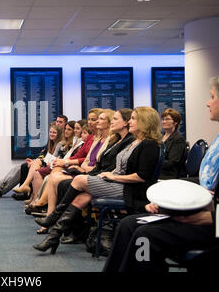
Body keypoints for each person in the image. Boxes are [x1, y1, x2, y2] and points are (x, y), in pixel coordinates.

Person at [103, 77, 219, 272]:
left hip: (213, 223)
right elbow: (205, 183)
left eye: (212, 96)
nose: (207, 102)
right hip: (204, 211)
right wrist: (169, 200)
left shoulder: (155, 143)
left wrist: (211, 217)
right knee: (129, 224)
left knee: (145, 236)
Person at [34, 106, 162, 254]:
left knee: (79, 180)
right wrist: (111, 175)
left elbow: (141, 177)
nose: (130, 122)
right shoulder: (136, 142)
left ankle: (53, 218)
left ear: (144, 122)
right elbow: (121, 166)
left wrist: (113, 176)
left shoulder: (149, 144)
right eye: (130, 118)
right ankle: (54, 236)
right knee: (84, 196)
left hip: (130, 190)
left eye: (134, 119)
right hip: (119, 183)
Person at [12, 122, 63, 199]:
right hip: (46, 163)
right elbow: (42, 155)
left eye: (54, 133)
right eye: (50, 132)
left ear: (58, 134)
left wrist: (36, 161)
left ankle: (26, 186)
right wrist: (33, 161)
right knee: (25, 166)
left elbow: (54, 158)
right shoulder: (49, 143)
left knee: (34, 164)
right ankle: (26, 192)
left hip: (52, 165)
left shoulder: (60, 144)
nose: (51, 134)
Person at [159, 108, 187, 179]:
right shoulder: (161, 136)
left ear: (175, 122)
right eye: (163, 119)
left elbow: (171, 163)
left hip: (168, 174)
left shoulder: (178, 139)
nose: (164, 121)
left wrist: (153, 161)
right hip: (160, 170)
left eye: (167, 119)